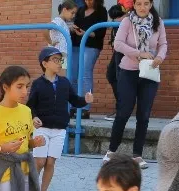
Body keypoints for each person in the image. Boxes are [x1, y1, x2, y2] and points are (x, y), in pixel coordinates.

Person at [28, 47, 92, 191]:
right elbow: (31, 106)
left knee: (50, 162)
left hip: (59, 129)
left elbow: (75, 100)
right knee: (40, 161)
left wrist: (85, 99)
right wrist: (33, 117)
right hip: (42, 128)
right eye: (55, 60)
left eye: (60, 60)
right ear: (45, 63)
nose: (59, 63)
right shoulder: (37, 84)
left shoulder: (64, 82)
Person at [104, 0, 167, 169]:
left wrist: (160, 57)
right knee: (123, 111)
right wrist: (139, 53)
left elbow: (163, 44)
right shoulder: (127, 21)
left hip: (149, 72)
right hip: (128, 71)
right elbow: (118, 44)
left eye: (146, 3)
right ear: (134, 5)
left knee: (144, 114)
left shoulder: (158, 21)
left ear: (151, 4)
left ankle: (137, 154)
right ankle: (111, 150)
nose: (142, 7)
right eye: (139, 3)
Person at [69, 0, 108, 116]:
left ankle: (85, 108)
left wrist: (86, 33)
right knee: (73, 75)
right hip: (76, 44)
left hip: (91, 45)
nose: (88, 1)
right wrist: (74, 29)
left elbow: (101, 33)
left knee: (85, 74)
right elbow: (75, 24)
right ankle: (73, 106)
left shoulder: (101, 11)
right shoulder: (80, 10)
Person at [103, 1, 130, 123]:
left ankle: (122, 110)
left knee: (121, 79)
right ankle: (121, 107)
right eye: (114, 18)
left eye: (118, 17)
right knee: (112, 76)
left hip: (125, 52)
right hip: (118, 51)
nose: (115, 20)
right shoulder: (117, 23)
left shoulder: (129, 20)